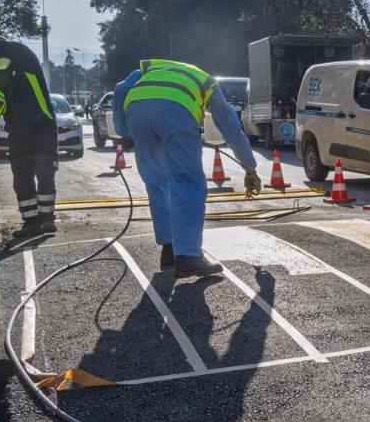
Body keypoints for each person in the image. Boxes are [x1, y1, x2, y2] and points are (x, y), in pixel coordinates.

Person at [112, 58, 261, 277]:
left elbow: (120, 88)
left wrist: (123, 127)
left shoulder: (148, 69)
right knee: (188, 183)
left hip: (137, 111)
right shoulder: (205, 80)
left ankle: (169, 250)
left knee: (157, 183)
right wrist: (250, 167)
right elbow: (230, 128)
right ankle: (189, 257)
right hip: (176, 113)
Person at [0, 36, 57, 237]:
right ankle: (31, 221)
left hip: (42, 127)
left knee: (44, 170)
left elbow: (13, 48)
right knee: (21, 177)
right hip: (17, 132)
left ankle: (47, 218)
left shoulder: (26, 63)